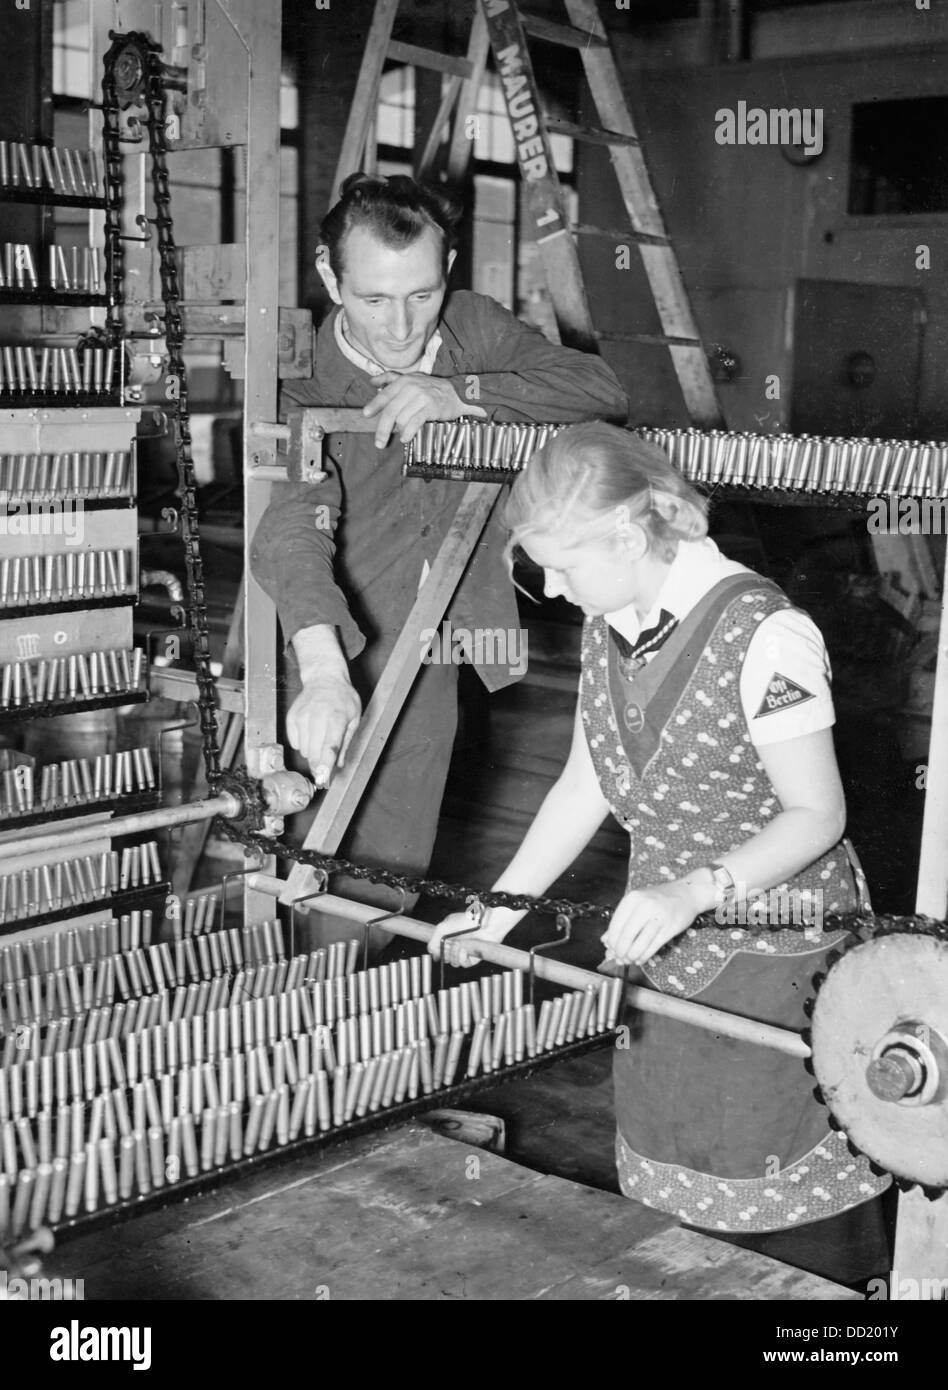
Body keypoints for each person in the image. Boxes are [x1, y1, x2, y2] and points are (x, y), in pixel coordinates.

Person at [429, 421, 891, 1271]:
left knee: (787, 1217)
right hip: (670, 949)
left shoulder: (767, 634)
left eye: (564, 567)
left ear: (632, 534)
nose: (556, 590)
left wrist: (691, 892)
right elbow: (588, 781)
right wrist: (495, 914)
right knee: (681, 1197)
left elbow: (817, 815)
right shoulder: (616, 615)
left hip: (781, 955)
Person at [250, 174, 629, 920]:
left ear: (446, 269)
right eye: (374, 300)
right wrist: (325, 670)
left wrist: (466, 395)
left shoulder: (470, 328)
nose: (401, 327)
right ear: (330, 276)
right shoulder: (297, 379)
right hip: (328, 629)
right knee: (299, 841)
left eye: (420, 295)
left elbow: (600, 387)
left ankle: (351, 1002)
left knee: (391, 861)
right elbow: (294, 522)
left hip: (437, 640)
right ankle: (301, 998)